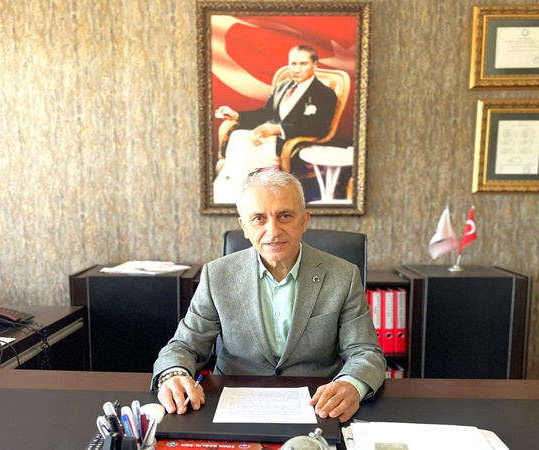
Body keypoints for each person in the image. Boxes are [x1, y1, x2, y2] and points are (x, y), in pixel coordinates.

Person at [152, 169, 386, 423]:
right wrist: (173, 374)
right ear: (244, 226)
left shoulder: (343, 275)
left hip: (318, 404)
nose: (273, 231)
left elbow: (365, 351)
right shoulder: (217, 275)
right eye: (258, 218)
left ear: (304, 220)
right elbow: (184, 345)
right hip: (233, 400)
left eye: (285, 216)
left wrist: (351, 384)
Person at [212, 45, 339, 204]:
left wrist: (280, 129)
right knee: (238, 136)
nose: (297, 69)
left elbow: (319, 127)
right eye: (293, 63)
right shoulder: (282, 87)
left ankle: (234, 198)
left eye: (303, 64)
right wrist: (237, 115)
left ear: (315, 65)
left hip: (289, 145)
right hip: (267, 137)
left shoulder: (324, 93)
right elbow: (265, 114)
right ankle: (237, 195)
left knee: (241, 158)